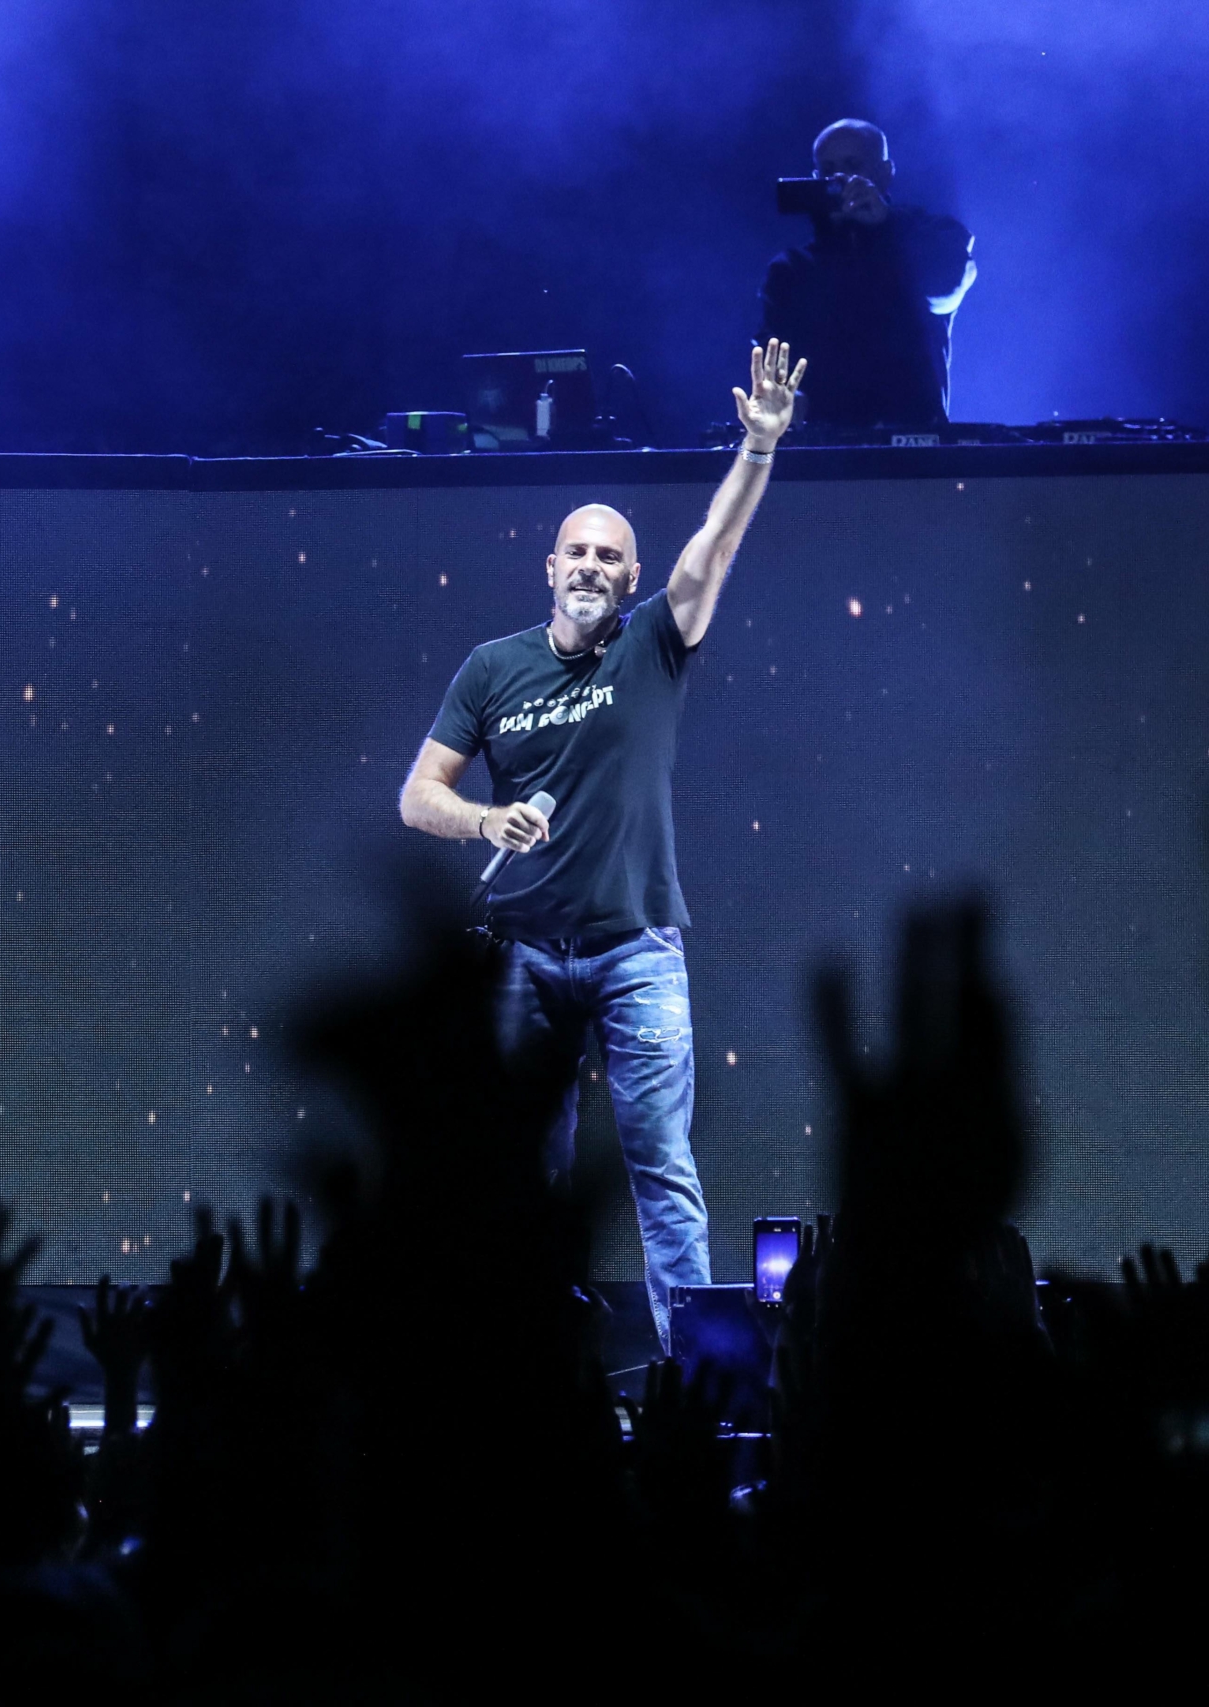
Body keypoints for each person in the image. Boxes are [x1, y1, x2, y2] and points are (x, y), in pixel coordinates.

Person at [398, 340, 806, 1351]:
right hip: (521, 955)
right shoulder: (491, 668)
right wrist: (484, 820)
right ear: (549, 568)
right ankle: (520, 1366)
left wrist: (757, 446)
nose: (589, 565)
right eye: (574, 552)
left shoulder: (655, 643)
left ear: (630, 576)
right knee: (521, 1172)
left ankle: (697, 1377)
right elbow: (417, 797)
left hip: (637, 949)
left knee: (661, 1164)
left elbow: (712, 547)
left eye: (608, 556)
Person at [760, 119, 974, 430]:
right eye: (828, 169)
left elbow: (945, 289)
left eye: (852, 165)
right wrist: (787, 397)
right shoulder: (792, 269)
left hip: (913, 440)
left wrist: (886, 225)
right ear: (815, 178)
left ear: (885, 172)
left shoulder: (932, 236)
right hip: (827, 445)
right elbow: (776, 356)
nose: (839, 178)